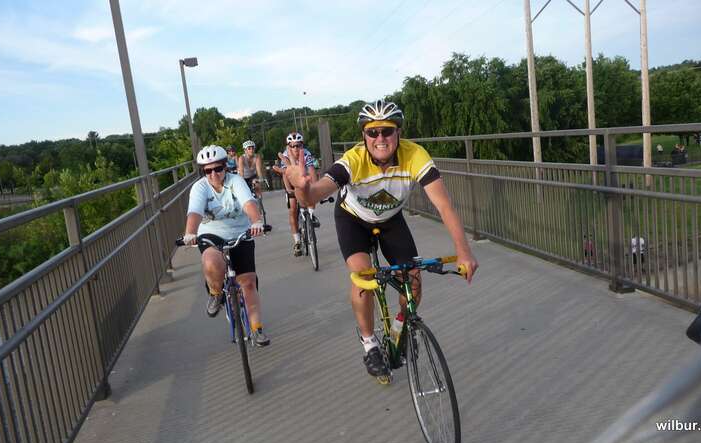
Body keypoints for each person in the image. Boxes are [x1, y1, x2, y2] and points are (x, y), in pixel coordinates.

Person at [281, 99, 479, 377]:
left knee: (413, 279)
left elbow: (444, 206)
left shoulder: (415, 155)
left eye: (387, 130)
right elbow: (314, 195)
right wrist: (302, 187)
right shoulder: (352, 160)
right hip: (353, 219)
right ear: (364, 136)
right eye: (372, 132)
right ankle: (369, 342)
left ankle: (402, 327)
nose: (380, 138)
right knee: (364, 277)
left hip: (390, 220)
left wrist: (464, 252)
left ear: (399, 132)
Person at [183, 145, 270, 346]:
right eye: (208, 170)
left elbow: (248, 202)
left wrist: (257, 221)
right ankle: (215, 293)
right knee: (211, 262)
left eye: (218, 169)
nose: (213, 174)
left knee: (248, 282)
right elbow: (194, 212)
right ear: (203, 172)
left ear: (225, 167)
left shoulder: (236, 181)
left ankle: (257, 330)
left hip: (240, 231)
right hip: (211, 234)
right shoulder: (200, 188)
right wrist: (190, 233)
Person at [276, 131, 319, 257]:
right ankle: (297, 241)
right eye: (292, 146)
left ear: (302, 145)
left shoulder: (306, 154)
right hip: (291, 183)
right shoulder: (285, 156)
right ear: (288, 146)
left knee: (312, 195)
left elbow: (312, 171)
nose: (296, 148)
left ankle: (311, 215)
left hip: (304, 180)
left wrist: (315, 187)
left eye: (298, 145)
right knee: (293, 210)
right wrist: (290, 190)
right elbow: (285, 174)